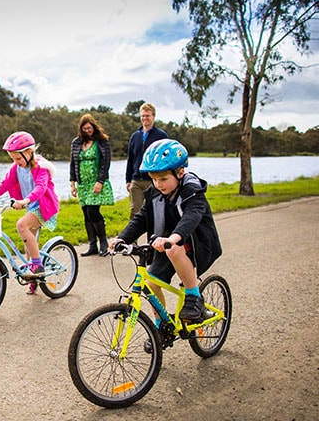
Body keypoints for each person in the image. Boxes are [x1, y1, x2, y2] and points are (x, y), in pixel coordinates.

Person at [109, 139, 222, 322]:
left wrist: (174, 237)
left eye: (163, 179)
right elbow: (141, 218)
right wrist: (122, 238)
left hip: (198, 244)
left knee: (173, 247)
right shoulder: (155, 192)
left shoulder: (193, 192)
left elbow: (190, 217)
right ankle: (160, 325)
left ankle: (194, 298)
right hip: (168, 245)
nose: (158, 184)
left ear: (180, 172)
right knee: (151, 283)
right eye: (154, 179)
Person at [0, 131, 59, 295]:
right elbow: (4, 185)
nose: (16, 162)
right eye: (13, 159)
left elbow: (41, 187)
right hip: (31, 206)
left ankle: (37, 265)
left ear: (29, 153)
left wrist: (25, 200)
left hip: (44, 206)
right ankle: (34, 279)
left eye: (18, 158)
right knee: (27, 245)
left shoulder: (41, 168)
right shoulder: (16, 168)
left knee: (21, 225)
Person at [70, 113, 114, 256]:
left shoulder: (102, 141)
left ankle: (103, 242)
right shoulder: (76, 143)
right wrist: (72, 183)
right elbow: (72, 163)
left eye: (89, 128)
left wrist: (100, 181)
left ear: (93, 127)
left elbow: (105, 163)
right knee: (86, 214)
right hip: (83, 184)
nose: (87, 131)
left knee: (93, 211)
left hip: (96, 182)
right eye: (84, 128)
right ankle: (92, 245)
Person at [125, 102, 168, 220]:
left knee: (155, 211)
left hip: (153, 179)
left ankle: (155, 237)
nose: (145, 118)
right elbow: (131, 159)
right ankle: (130, 239)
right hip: (136, 179)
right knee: (135, 211)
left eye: (147, 116)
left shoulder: (161, 136)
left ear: (153, 116)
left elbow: (166, 158)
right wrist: (128, 179)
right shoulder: (135, 136)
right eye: (143, 116)